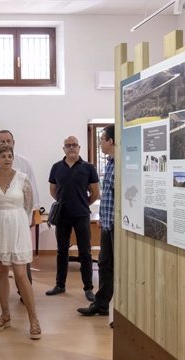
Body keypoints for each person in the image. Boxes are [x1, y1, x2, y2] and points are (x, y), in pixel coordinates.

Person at [0, 144, 41, 339]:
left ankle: (33, 318)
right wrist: (1, 217)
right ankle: (5, 315)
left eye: (10, 156)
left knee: (20, 273)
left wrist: (19, 220)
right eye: (4, 156)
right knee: (0, 270)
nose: (8, 159)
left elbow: (29, 204)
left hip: (17, 225)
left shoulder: (23, 179)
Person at [0, 130, 40, 302]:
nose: (6, 143)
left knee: (20, 263)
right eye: (1, 141)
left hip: (18, 219)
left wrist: (31, 215)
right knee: (0, 260)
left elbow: (31, 192)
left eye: (8, 140)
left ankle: (24, 292)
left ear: (14, 141)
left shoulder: (24, 163)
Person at [46, 135, 100, 301]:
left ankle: (88, 288)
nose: (71, 148)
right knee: (62, 251)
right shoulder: (56, 167)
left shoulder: (88, 168)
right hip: (62, 216)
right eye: (68, 145)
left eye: (74, 145)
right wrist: (64, 203)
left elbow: (95, 193)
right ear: (63, 149)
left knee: (85, 252)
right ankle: (60, 285)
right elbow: (53, 191)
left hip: (82, 215)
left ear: (79, 148)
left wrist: (83, 203)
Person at [78, 125, 116, 317]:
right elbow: (107, 195)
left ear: (110, 141)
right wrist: (103, 219)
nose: (100, 142)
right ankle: (101, 305)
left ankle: (120, 311)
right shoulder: (110, 163)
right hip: (108, 224)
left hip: (119, 226)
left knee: (118, 267)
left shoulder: (123, 164)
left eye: (102, 139)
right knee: (104, 264)